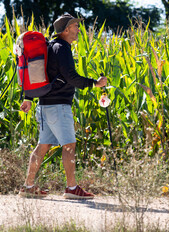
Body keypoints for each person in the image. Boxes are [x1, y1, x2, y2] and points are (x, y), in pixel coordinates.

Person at [19, 14, 107, 199]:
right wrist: (95, 83)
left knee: (42, 146)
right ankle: (72, 188)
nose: (78, 29)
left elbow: (40, 74)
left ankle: (28, 186)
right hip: (59, 106)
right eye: (75, 26)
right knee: (69, 146)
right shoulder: (62, 48)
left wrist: (28, 97)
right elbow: (71, 77)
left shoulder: (50, 47)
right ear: (66, 30)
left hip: (44, 106)